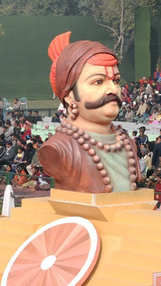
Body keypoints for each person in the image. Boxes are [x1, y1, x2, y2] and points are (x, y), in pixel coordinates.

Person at [38, 31, 141, 193]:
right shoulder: (58, 149)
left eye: (116, 81)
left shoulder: (128, 144)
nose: (113, 89)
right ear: (70, 95)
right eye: (98, 82)